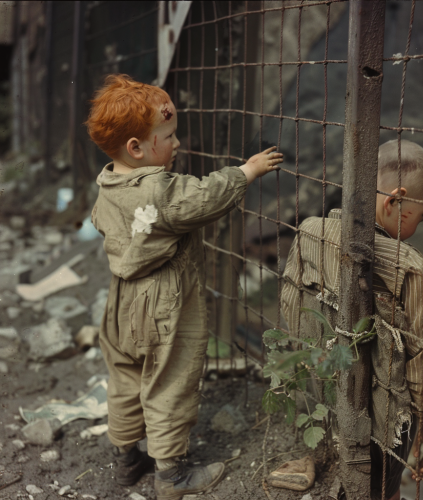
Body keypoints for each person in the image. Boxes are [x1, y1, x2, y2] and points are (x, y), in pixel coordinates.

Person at [86, 74, 283, 500]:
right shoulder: (160, 189)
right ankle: (171, 475)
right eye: (169, 136)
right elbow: (204, 196)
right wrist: (246, 171)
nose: (177, 144)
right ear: (137, 148)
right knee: (170, 378)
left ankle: (126, 460)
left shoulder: (107, 184)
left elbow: (100, 222)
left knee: (125, 376)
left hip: (121, 302)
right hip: (163, 302)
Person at [281, 139, 423, 500]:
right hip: (384, 414)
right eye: (422, 216)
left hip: (326, 392)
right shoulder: (408, 267)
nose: (419, 227)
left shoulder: (309, 233)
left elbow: (290, 304)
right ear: (395, 200)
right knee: (382, 488)